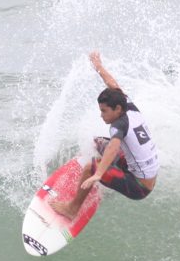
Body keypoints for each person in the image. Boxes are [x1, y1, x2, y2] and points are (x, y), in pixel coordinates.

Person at [51, 52, 159, 219]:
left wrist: (98, 173)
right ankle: (110, 177)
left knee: (90, 168)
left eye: (104, 111)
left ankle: (71, 209)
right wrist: (99, 67)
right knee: (98, 142)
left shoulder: (119, 125)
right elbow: (113, 84)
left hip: (140, 186)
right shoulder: (128, 106)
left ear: (117, 109)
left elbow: (113, 148)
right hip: (145, 172)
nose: (101, 115)